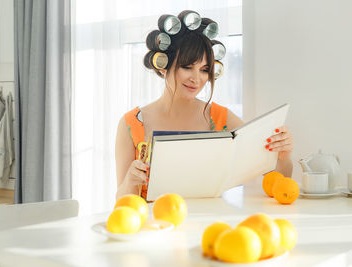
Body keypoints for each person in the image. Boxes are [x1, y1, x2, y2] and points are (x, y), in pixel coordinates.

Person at [115, 10, 293, 200]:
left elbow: (279, 181)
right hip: (157, 226)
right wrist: (130, 181)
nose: (196, 79)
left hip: (211, 225)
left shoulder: (221, 118)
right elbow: (122, 203)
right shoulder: (132, 124)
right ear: (164, 64)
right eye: (187, 67)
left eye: (204, 70)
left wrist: (282, 154)